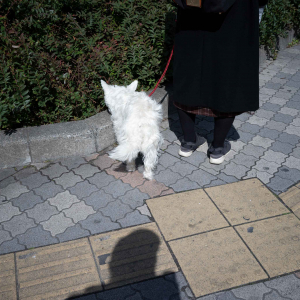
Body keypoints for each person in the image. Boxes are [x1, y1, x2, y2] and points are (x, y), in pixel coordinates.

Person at [173, 0, 268, 164]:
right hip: (234, 23)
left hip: (191, 22)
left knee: (188, 77)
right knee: (227, 80)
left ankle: (188, 142)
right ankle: (217, 148)